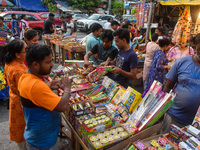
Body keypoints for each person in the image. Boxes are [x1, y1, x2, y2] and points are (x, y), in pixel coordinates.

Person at [18, 44, 72, 150]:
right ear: (35, 65)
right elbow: (62, 106)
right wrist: (67, 89)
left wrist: (48, 87)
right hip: (43, 142)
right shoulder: (36, 85)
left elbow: (35, 98)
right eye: (48, 62)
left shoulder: (26, 78)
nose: (52, 65)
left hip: (39, 136)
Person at [162, 33, 200, 133]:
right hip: (173, 117)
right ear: (195, 47)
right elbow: (167, 87)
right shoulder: (181, 62)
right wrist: (161, 111)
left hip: (195, 126)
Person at [2, 39, 27, 150]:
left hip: (14, 98)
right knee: (23, 128)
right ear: (17, 55)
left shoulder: (9, 63)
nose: (27, 52)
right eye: (25, 50)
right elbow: (26, 91)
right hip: (21, 101)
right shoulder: (19, 71)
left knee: (18, 126)